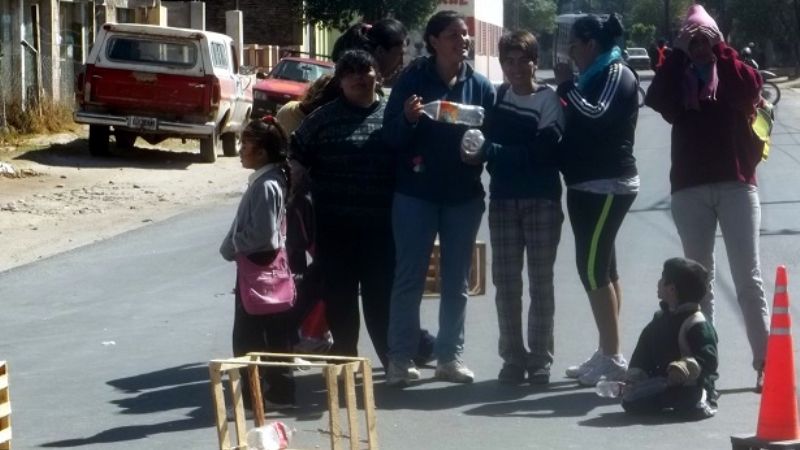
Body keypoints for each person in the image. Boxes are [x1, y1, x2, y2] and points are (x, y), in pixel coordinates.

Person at [644, 4, 769, 392]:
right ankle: (704, 368)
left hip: (737, 183)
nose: (699, 47)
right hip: (690, 188)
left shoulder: (731, 70)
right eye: (693, 40)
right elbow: (656, 99)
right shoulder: (678, 74)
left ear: (716, 40)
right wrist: (677, 54)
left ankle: (766, 364)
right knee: (699, 284)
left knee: (748, 279)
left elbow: (751, 89)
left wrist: (723, 51)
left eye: (705, 39)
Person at [383, 10, 495, 386]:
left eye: (465, 34)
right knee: (409, 279)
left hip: (463, 197)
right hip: (416, 195)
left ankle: (449, 358)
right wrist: (408, 119)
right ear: (433, 41)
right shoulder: (413, 81)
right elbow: (390, 136)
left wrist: (481, 152)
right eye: (453, 35)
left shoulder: (480, 86)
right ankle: (400, 360)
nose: (463, 41)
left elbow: (493, 139)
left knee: (456, 282)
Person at [459, 31, 565, 385]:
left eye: (523, 61)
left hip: (542, 201)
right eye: (509, 61)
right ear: (502, 64)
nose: (516, 68)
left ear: (536, 62)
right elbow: (479, 142)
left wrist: (492, 152)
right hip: (503, 200)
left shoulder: (549, 101)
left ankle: (540, 359)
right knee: (506, 285)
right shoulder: (497, 98)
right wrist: (477, 151)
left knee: (541, 283)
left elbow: (543, 154)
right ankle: (513, 358)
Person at [290, 50, 395, 369]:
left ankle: (392, 361)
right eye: (350, 73)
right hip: (334, 228)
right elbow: (296, 155)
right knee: (339, 297)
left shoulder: (393, 115)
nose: (359, 78)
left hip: (382, 228)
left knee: (381, 296)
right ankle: (346, 358)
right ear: (340, 81)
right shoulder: (322, 119)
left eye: (365, 71)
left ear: (378, 75)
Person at [553, 13, 640, 386]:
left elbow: (596, 114)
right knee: (604, 269)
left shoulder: (616, 73)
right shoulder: (593, 75)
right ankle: (607, 349)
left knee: (591, 269)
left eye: (574, 45)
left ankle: (614, 358)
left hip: (608, 184)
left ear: (591, 44)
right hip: (586, 184)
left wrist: (565, 86)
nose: (571, 53)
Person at [220, 117, 296, 408]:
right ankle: (278, 392)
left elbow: (263, 235)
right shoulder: (270, 180)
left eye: (245, 145)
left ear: (262, 152)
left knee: (249, 338)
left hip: (257, 273)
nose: (240, 151)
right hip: (266, 273)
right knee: (273, 336)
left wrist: (233, 244)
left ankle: (257, 398)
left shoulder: (266, 185)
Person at [622, 257, 719, 420]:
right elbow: (643, 349)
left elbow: (708, 359)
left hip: (690, 385)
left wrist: (684, 367)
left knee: (691, 405)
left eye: (662, 279)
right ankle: (665, 399)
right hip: (663, 382)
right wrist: (635, 375)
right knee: (631, 401)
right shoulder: (659, 319)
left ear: (672, 289)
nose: (658, 282)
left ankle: (705, 398)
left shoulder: (696, 323)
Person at [332, 19, 408, 85]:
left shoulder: (361, 87)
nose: (401, 63)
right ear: (380, 51)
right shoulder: (358, 88)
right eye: (400, 55)